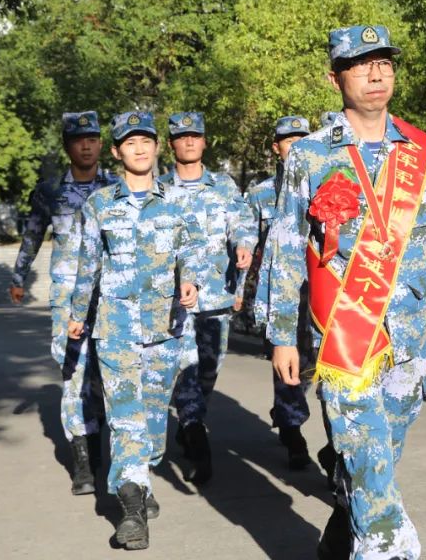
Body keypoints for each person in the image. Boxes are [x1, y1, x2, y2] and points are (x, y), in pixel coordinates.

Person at [265, 25, 426, 560]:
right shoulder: (309, 156)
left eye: (384, 63)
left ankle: (344, 530)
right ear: (336, 79)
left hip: (409, 330)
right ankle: (386, 548)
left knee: (382, 453)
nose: (376, 74)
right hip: (345, 335)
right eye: (361, 64)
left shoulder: (422, 150)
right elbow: (285, 248)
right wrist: (281, 334)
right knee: (365, 451)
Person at [70, 111, 203, 551]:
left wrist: (191, 281)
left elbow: (193, 253)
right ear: (117, 152)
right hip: (117, 328)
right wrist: (77, 313)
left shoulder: (177, 202)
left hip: (166, 328)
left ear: (157, 147)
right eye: (130, 142)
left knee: (152, 418)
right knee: (126, 419)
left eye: (146, 140)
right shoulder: (99, 204)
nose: (140, 149)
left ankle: (143, 476)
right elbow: (88, 263)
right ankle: (130, 508)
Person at [9, 110, 117, 495]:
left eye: (92, 140)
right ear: (67, 147)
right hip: (67, 298)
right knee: (73, 374)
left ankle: (100, 443)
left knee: (106, 374)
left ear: (101, 144)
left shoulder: (116, 186)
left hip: (110, 296)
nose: (86, 146)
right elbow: (33, 234)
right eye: (78, 141)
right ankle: (82, 461)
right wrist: (18, 276)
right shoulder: (50, 191)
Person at [161, 111, 255, 484]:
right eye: (182, 136)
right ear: (172, 144)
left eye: (195, 135)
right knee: (186, 369)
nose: (189, 141)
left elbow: (242, 222)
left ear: (203, 141)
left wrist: (244, 244)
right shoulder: (158, 189)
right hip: (176, 300)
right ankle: (197, 438)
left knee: (208, 371)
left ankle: (191, 422)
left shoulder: (223, 185)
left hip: (217, 296)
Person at [240, 115, 316, 470]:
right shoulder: (261, 194)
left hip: (321, 294)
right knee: (287, 358)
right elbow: (246, 240)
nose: (297, 146)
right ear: (276, 147)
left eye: (303, 139)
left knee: (313, 364)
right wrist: (240, 290)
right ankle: (292, 427)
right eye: (289, 140)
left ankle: (289, 411)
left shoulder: (325, 185)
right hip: (283, 294)